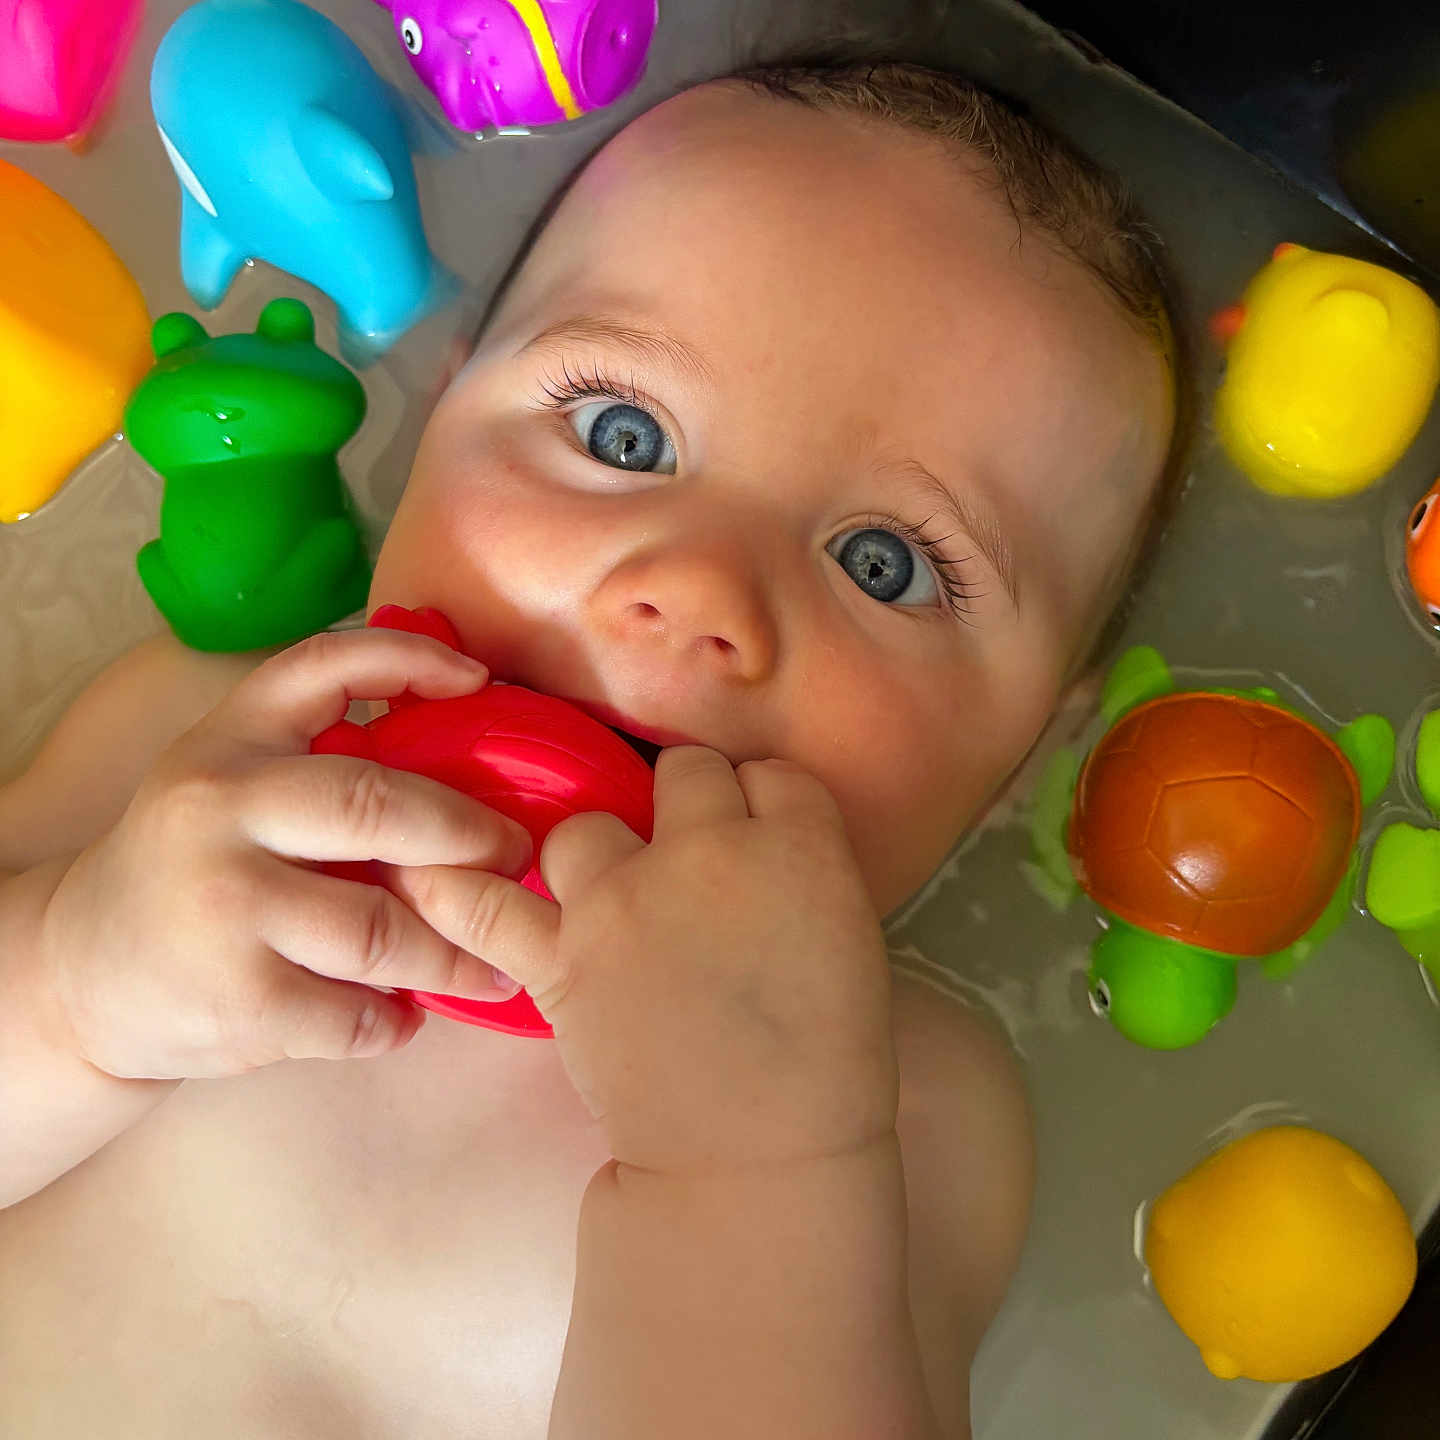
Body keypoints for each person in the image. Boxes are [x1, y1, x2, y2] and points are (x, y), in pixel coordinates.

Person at [0, 60, 1179, 1439]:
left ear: (1032, 754)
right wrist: (80, 985)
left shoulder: (916, 1117)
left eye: (886, 566)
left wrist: (759, 1171)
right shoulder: (196, 753)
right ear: (441, 418)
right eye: (624, 435)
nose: (698, 592)